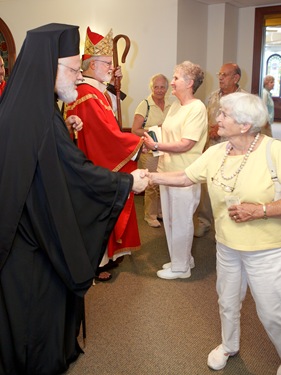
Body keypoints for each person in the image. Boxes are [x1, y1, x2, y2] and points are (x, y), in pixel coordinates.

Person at [0, 23, 148, 375]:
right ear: (49, 66)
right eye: (71, 69)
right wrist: (124, 182)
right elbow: (72, 172)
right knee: (34, 311)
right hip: (32, 239)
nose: (76, 77)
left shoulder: (25, 105)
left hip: (22, 223)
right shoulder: (39, 114)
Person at [147, 92, 281, 375]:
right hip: (227, 246)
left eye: (224, 114)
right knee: (227, 301)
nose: (217, 119)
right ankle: (228, 345)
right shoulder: (216, 152)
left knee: (271, 312)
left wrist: (260, 210)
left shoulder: (274, 151)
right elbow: (186, 177)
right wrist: (149, 178)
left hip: (266, 250)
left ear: (245, 125)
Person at [65, 27, 143, 281]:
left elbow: (113, 106)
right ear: (91, 65)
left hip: (96, 160)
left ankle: (109, 255)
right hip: (94, 162)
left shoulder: (95, 88)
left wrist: (115, 83)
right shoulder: (85, 94)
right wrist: (135, 141)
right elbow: (104, 135)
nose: (112, 67)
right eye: (107, 63)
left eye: (111, 63)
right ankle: (97, 262)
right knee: (98, 210)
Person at [143, 60, 207, 280]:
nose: (172, 82)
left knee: (181, 220)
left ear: (189, 83)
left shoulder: (197, 108)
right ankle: (182, 258)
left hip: (185, 174)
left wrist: (157, 146)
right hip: (167, 169)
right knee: (170, 219)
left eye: (176, 78)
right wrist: (152, 139)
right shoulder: (175, 106)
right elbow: (167, 133)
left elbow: (186, 143)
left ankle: (181, 268)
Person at [194, 62, 246, 237]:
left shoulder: (245, 99)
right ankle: (204, 221)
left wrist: (223, 130)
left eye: (225, 75)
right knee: (207, 187)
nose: (220, 78)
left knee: (228, 189)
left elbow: (249, 127)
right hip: (212, 149)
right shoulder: (213, 96)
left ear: (236, 78)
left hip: (235, 152)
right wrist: (210, 132)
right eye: (220, 74)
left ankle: (223, 229)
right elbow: (206, 121)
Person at [132, 73, 172, 228]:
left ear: (167, 89)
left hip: (166, 150)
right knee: (151, 184)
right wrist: (155, 130)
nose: (160, 90)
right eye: (156, 87)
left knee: (164, 182)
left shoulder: (171, 105)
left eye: (163, 87)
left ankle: (161, 212)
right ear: (151, 88)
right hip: (149, 151)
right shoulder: (145, 105)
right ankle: (150, 215)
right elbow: (135, 130)